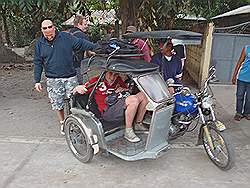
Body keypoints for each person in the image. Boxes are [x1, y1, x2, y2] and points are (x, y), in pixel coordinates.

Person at [33, 19, 96, 134]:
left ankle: (76, 122)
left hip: (70, 76)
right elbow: (38, 62)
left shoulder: (66, 37)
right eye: (45, 31)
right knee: (57, 103)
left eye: (50, 30)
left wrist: (96, 47)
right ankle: (63, 122)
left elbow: (81, 43)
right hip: (53, 79)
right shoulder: (39, 44)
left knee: (75, 99)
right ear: (42, 30)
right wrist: (37, 80)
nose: (49, 35)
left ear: (54, 27)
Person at [73, 71, 148, 143]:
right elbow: (80, 89)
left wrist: (123, 90)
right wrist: (77, 88)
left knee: (144, 95)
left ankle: (138, 123)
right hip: (107, 111)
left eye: (115, 74)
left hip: (118, 105)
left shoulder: (118, 80)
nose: (112, 77)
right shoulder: (96, 80)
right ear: (105, 72)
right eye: (110, 73)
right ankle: (128, 131)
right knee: (133, 100)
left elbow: (127, 91)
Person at [68, 15, 91, 84]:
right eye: (85, 24)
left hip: (64, 65)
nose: (86, 26)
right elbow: (90, 51)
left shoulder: (68, 33)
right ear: (78, 24)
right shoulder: (82, 36)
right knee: (78, 87)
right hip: (76, 66)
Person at [232, 45, 250, 121]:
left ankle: (247, 113)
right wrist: (234, 75)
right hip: (242, 77)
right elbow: (239, 62)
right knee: (239, 96)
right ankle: (238, 113)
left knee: (249, 98)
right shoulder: (246, 48)